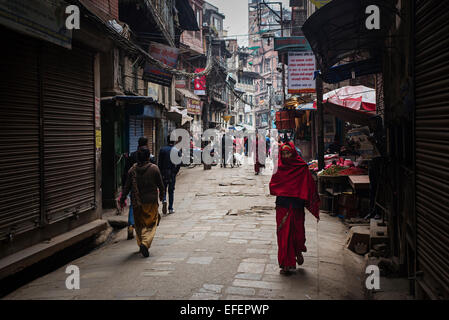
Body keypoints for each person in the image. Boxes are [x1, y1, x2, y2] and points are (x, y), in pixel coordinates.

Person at [269, 141, 320, 275]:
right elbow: (273, 185)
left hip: (297, 204)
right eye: (283, 153)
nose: (286, 156)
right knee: (284, 234)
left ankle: (297, 251)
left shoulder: (301, 167)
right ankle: (286, 264)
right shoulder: (279, 168)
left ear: (293, 153)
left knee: (297, 232)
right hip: (282, 204)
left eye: (288, 153)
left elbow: (309, 185)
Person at [120, 146, 165, 258]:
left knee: (139, 224)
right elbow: (161, 184)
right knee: (151, 224)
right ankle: (145, 243)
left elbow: (126, 187)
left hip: (137, 202)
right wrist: (162, 195)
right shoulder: (154, 168)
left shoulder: (132, 170)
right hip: (151, 202)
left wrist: (122, 198)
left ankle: (140, 243)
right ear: (148, 156)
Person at [122, 137, 155, 240]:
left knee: (133, 205)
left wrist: (124, 188)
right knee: (146, 207)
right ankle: (144, 228)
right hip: (146, 186)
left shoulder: (132, 155)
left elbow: (126, 172)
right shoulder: (149, 156)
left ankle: (131, 225)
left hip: (134, 185)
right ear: (146, 143)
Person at [158, 135, 181, 214]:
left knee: (163, 189)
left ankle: (164, 199)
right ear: (174, 141)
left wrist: (160, 173)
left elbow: (159, 163)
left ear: (167, 141)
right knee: (171, 191)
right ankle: (170, 208)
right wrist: (175, 172)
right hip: (172, 173)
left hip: (164, 173)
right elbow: (179, 163)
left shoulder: (162, 150)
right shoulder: (176, 150)